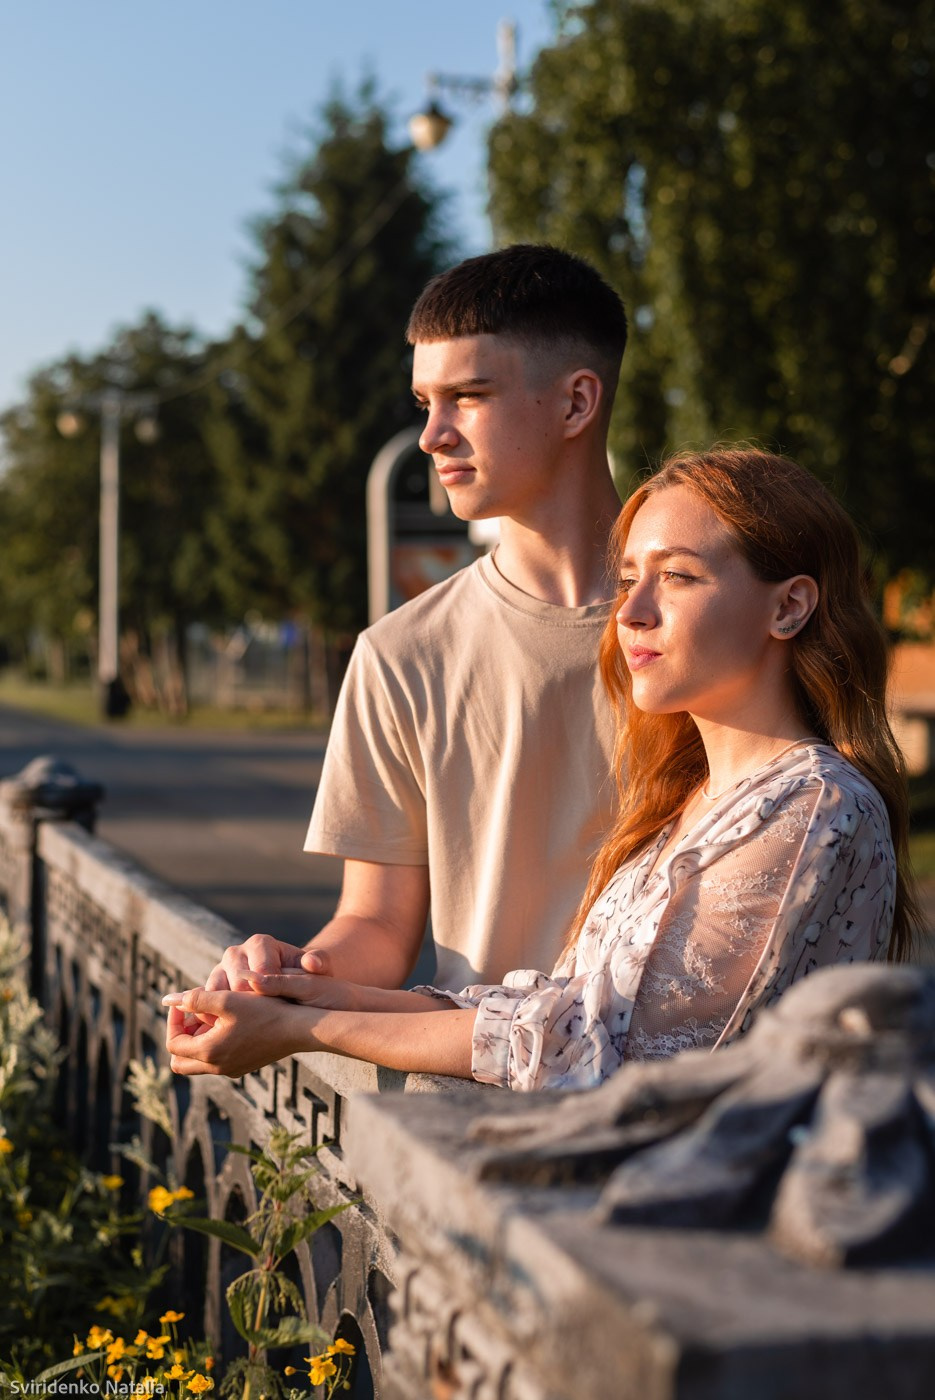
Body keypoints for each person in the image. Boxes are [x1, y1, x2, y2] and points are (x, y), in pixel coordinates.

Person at [166, 447, 920, 1091]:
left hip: (700, 1247)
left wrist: (315, 1029)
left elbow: (591, 1049)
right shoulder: (690, 802)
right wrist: (291, 993)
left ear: (787, 607)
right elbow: (550, 1006)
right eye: (628, 579)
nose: (631, 612)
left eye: (679, 577)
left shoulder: (813, 805)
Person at [206, 244, 628, 995]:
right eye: (423, 403)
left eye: (467, 395)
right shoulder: (399, 653)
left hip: (696, 1098)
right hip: (474, 1102)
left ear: (576, 402)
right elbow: (376, 925)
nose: (433, 435)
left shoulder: (708, 615)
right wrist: (291, 972)